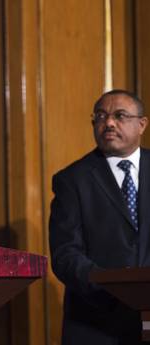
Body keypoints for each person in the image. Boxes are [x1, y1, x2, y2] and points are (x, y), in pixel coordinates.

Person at [49, 89, 150, 344]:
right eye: (101, 116)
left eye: (120, 115)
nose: (109, 123)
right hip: (97, 324)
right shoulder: (71, 180)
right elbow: (65, 255)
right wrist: (115, 289)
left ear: (142, 124)